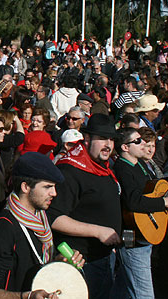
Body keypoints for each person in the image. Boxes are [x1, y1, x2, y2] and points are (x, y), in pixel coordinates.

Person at [0, 152, 84, 298]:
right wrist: (26, 296)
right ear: (26, 187)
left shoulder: (40, 219)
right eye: (47, 187)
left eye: (54, 187)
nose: (54, 193)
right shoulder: (5, 227)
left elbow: (36, 265)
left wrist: (58, 262)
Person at [48, 114, 122, 299]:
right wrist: (98, 231)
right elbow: (53, 217)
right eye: (102, 138)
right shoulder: (71, 170)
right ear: (87, 139)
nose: (109, 145)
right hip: (82, 263)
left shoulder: (101, 165)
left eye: (111, 139)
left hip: (104, 257)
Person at [112, 127, 168, 299]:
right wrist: (162, 202)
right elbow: (133, 201)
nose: (143, 144)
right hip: (133, 238)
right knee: (144, 294)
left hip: (144, 234)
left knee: (124, 289)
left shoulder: (140, 164)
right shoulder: (123, 168)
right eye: (137, 141)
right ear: (125, 147)